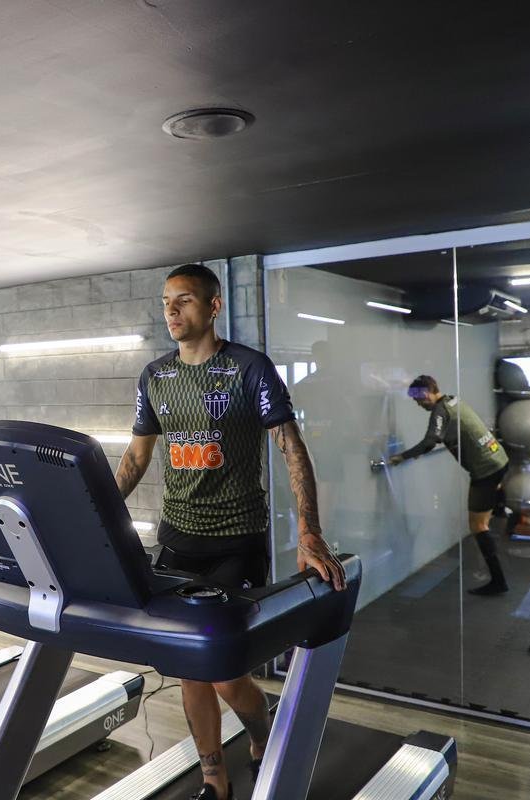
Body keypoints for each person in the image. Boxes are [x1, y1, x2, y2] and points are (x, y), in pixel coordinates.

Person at [115, 264, 345, 800]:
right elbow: (135, 457)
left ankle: (260, 724)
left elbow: (291, 446)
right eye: (167, 301)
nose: (172, 310)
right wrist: (92, 515)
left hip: (236, 540)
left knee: (224, 674)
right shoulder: (154, 376)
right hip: (177, 542)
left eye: (185, 300)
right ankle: (213, 775)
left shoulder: (249, 368)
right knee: (189, 670)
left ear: (214, 306)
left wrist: (309, 531)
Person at [389, 375, 510, 595]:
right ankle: (496, 564)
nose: (418, 404)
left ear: (427, 392)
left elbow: (430, 441)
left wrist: (402, 457)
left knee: (478, 525)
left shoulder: (440, 410)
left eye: (418, 399)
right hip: (499, 460)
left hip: (485, 470)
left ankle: (498, 580)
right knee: (485, 519)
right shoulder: (453, 400)